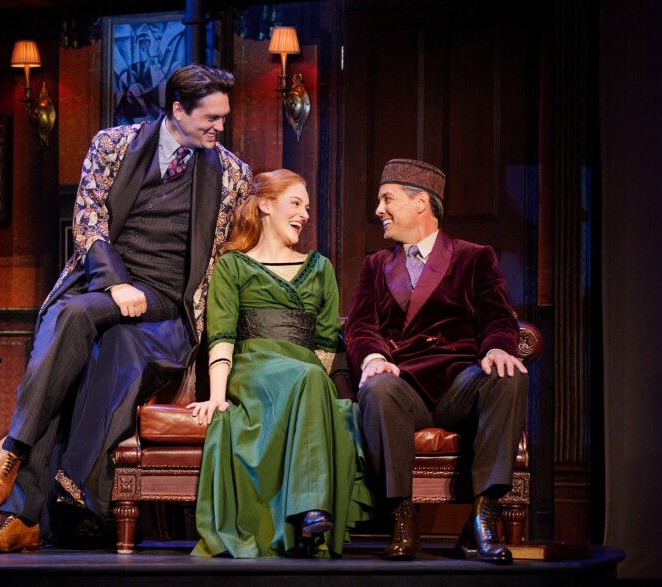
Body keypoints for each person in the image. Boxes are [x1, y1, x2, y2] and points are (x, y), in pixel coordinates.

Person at [0, 64, 253, 553]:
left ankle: (20, 472)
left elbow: (236, 248)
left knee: (110, 344)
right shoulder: (114, 145)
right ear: (178, 110)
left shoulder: (231, 173)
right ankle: (21, 498)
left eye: (224, 118)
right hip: (107, 286)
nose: (219, 127)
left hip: (169, 307)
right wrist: (117, 283)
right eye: (211, 117)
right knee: (73, 320)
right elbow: (88, 217)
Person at [343, 159, 528, 564]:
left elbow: (498, 317)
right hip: (403, 384)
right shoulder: (376, 265)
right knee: (377, 385)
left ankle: (483, 516)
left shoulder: (473, 257)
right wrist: (373, 355)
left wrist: (498, 347)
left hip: (459, 383)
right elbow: (359, 326)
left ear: (421, 202)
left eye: (387, 199)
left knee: (508, 375)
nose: (379, 210)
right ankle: (402, 517)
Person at [187, 169, 373, 558]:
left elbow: (324, 347)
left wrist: (318, 394)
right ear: (266, 206)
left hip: (305, 373)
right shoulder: (233, 266)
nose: (304, 214)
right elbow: (221, 335)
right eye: (296, 203)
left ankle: (312, 511)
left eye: (307, 207)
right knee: (307, 377)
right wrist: (217, 396)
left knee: (312, 380)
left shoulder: (319, 268)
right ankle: (309, 509)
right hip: (254, 366)